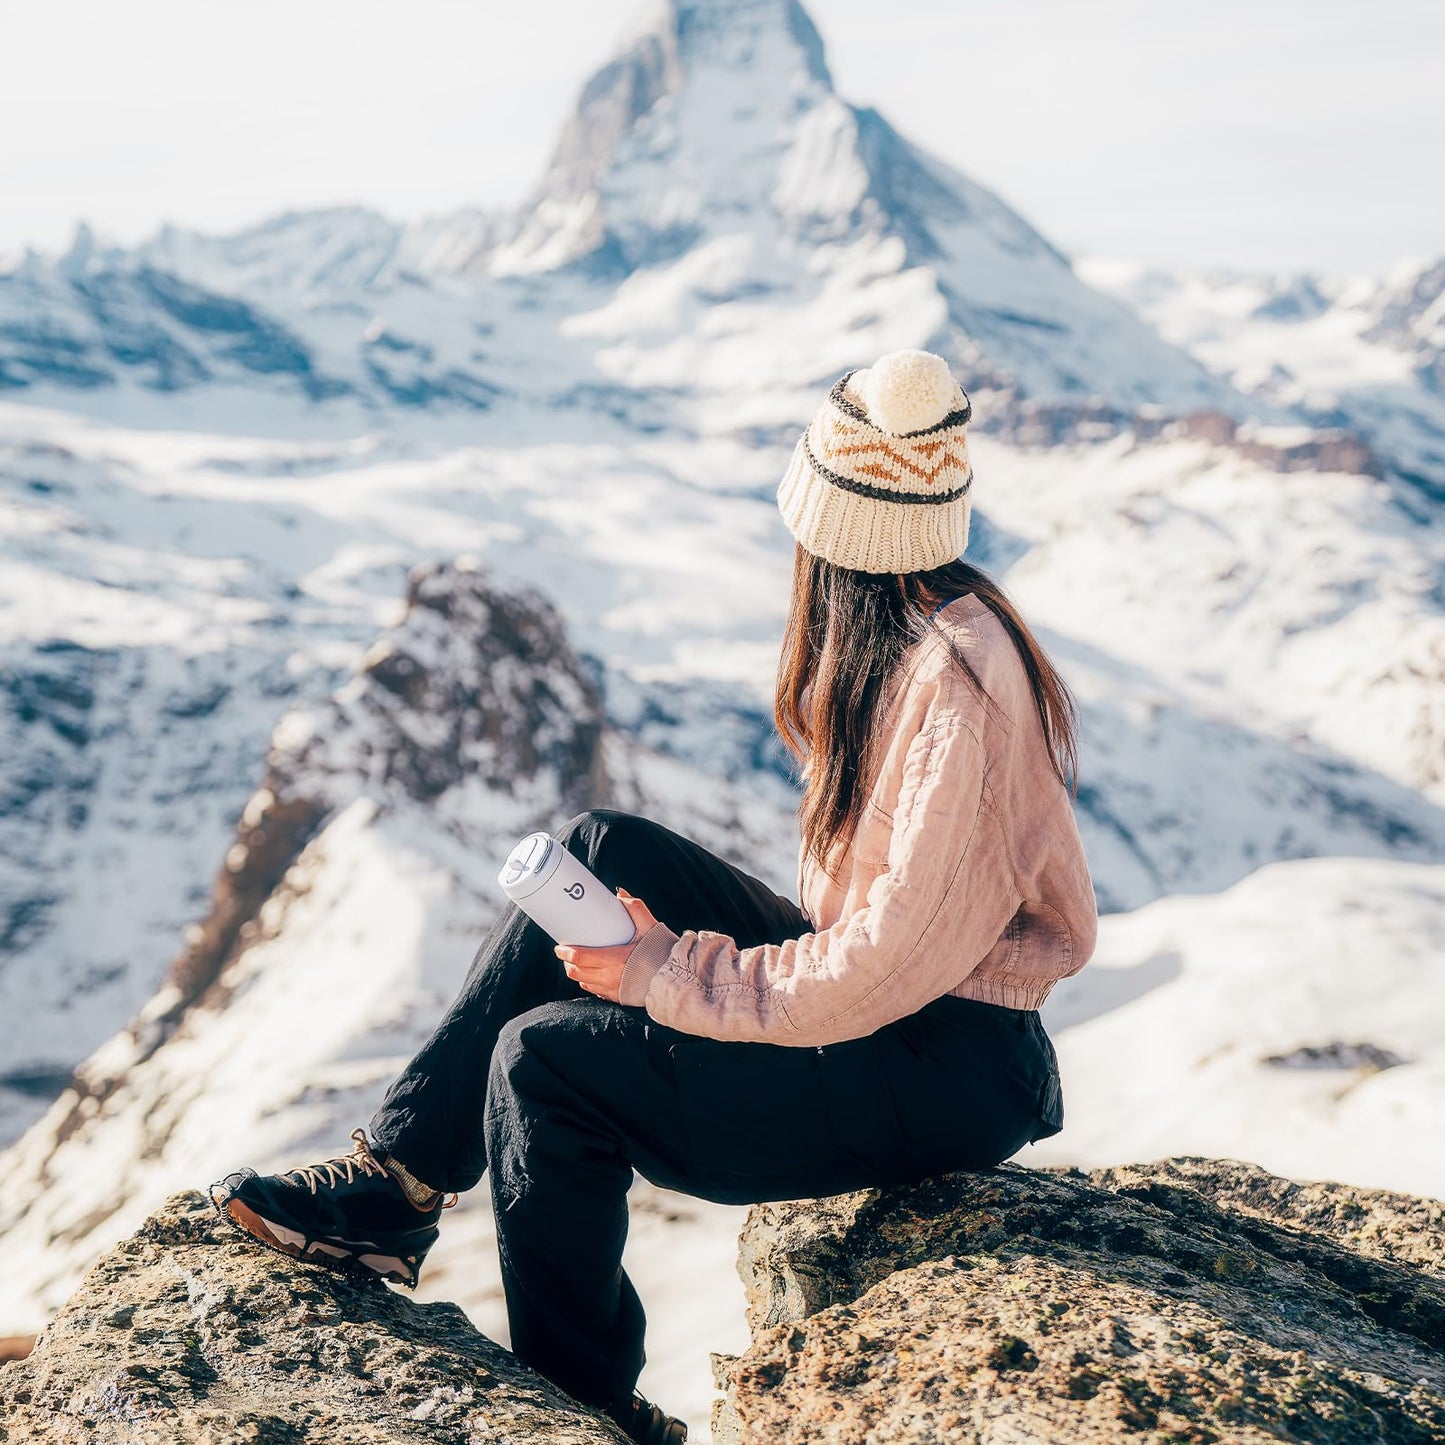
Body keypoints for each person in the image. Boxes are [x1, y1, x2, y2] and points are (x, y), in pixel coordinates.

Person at [209, 348, 1098, 1445]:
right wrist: (666, 960)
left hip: (943, 1066)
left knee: (546, 1061)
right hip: (909, 1019)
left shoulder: (956, 691)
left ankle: (585, 1410)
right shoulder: (922, 628)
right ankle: (397, 1181)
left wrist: (667, 973)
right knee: (599, 845)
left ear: (825, 526)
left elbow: (879, 965)